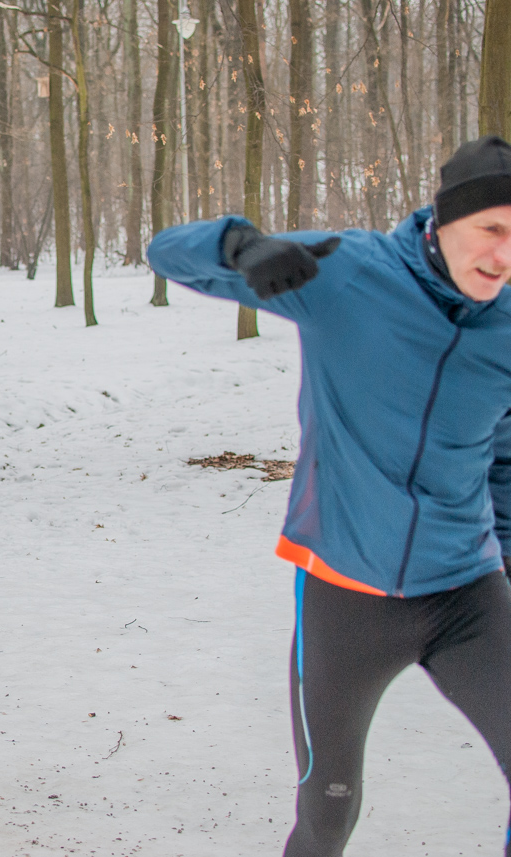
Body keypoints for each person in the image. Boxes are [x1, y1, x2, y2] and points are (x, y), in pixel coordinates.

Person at [147, 135, 511, 857]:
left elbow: (503, 455)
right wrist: (240, 246)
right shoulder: (352, 274)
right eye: (492, 230)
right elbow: (164, 252)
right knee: (328, 807)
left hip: (466, 593)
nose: (504, 257)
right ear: (442, 222)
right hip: (344, 595)